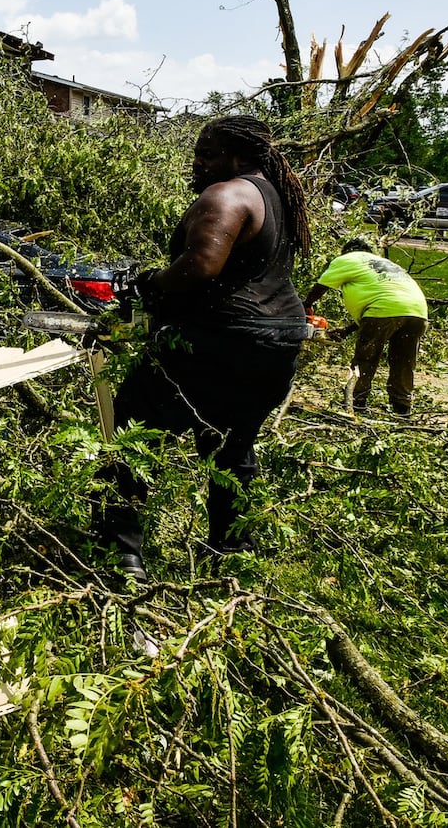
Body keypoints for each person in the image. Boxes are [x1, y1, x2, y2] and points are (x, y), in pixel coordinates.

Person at [93, 115, 311, 579]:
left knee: (130, 427)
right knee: (231, 445)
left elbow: (201, 265)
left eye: (207, 154)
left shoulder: (227, 194)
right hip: (277, 341)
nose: (197, 163)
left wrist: (152, 283)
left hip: (220, 339)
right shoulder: (275, 197)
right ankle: (232, 554)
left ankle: (123, 556)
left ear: (236, 157)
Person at [304, 239, 429, 415]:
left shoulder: (347, 259)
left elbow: (321, 286)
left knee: (366, 359)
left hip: (382, 310)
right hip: (418, 313)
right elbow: (389, 308)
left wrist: (306, 304)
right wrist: (347, 331)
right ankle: (402, 408)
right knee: (404, 362)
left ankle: (356, 403)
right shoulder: (386, 264)